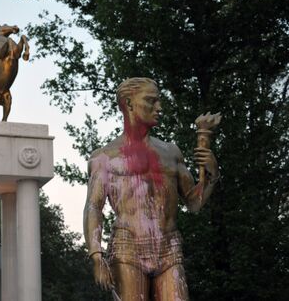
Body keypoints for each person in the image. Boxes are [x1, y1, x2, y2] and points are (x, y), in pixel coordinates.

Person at [83, 77, 220, 300]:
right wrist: (96, 255)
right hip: (128, 247)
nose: (159, 108)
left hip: (169, 247)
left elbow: (193, 202)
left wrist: (212, 175)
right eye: (151, 101)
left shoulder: (171, 152)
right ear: (128, 103)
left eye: (159, 101)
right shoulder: (104, 157)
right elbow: (93, 207)